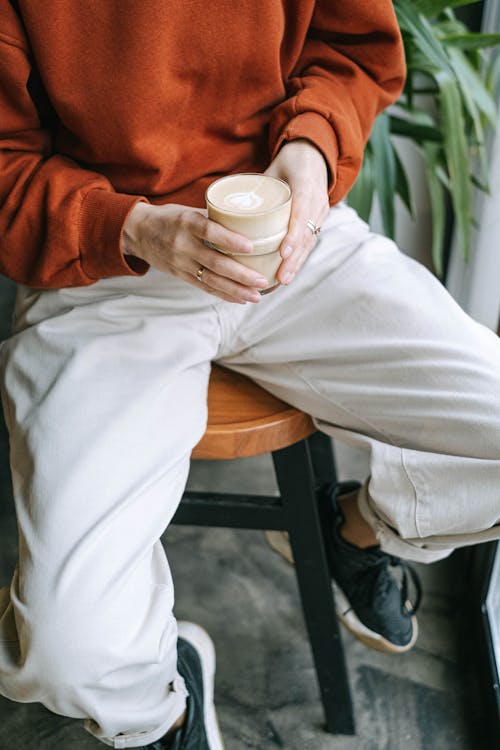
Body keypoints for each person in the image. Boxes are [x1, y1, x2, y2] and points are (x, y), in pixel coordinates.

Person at [0, 1, 499, 748]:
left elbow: (354, 48)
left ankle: (352, 533)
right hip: (106, 268)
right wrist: (131, 228)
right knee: (70, 652)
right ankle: (167, 704)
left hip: (293, 237)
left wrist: (310, 148)